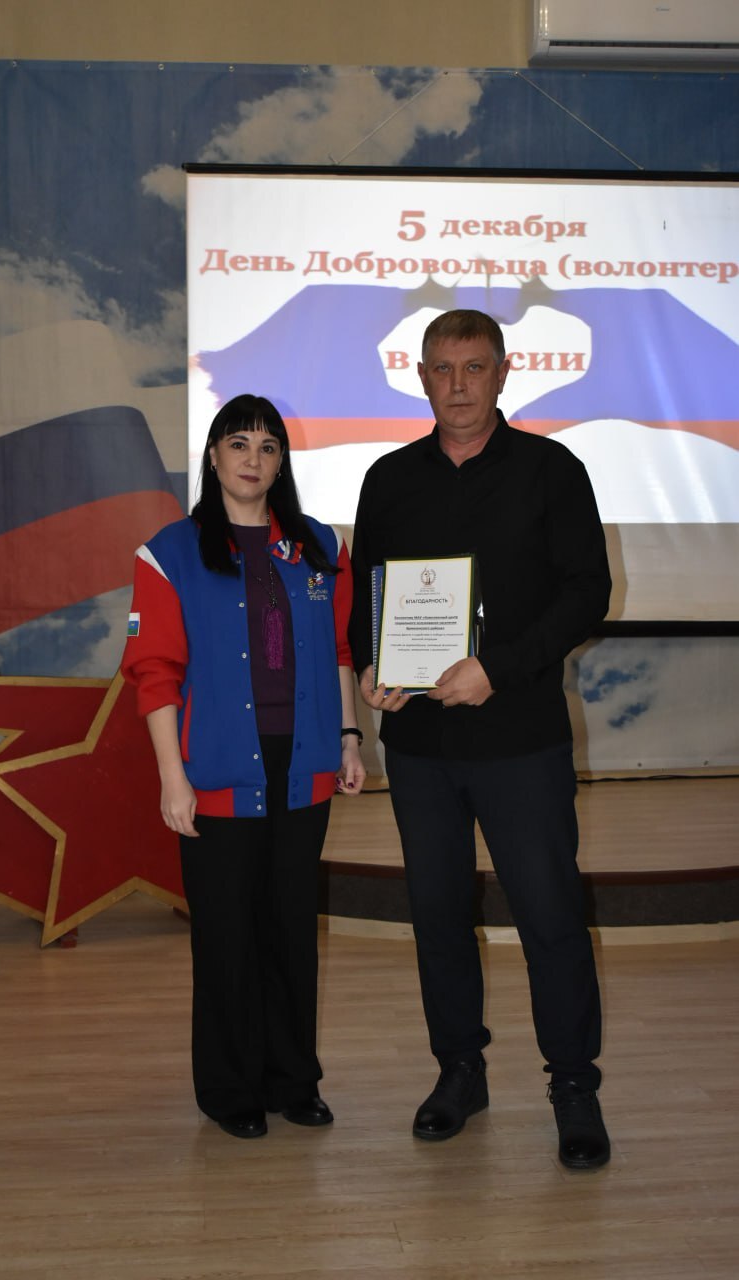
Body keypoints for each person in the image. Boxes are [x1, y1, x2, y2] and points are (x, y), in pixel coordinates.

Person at [349, 310, 612, 1170]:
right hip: (420, 744)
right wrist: (371, 668)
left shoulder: (552, 470)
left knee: (550, 917)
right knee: (437, 918)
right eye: (442, 368)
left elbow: (587, 592)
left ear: (504, 373)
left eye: (474, 368)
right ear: (420, 378)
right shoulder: (388, 479)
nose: (458, 384)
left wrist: (498, 668)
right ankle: (460, 1071)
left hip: (520, 738)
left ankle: (572, 1085)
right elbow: (367, 600)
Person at [122, 393, 365, 1140]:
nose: (252, 459)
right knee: (226, 936)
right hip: (218, 771)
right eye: (238, 444)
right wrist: (173, 777)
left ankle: (294, 1081)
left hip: (304, 767)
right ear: (214, 456)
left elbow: (342, 651)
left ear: (281, 460)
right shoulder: (170, 553)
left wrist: (350, 737)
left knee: (290, 931)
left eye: (267, 446)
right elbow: (154, 673)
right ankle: (229, 1091)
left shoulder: (321, 546)